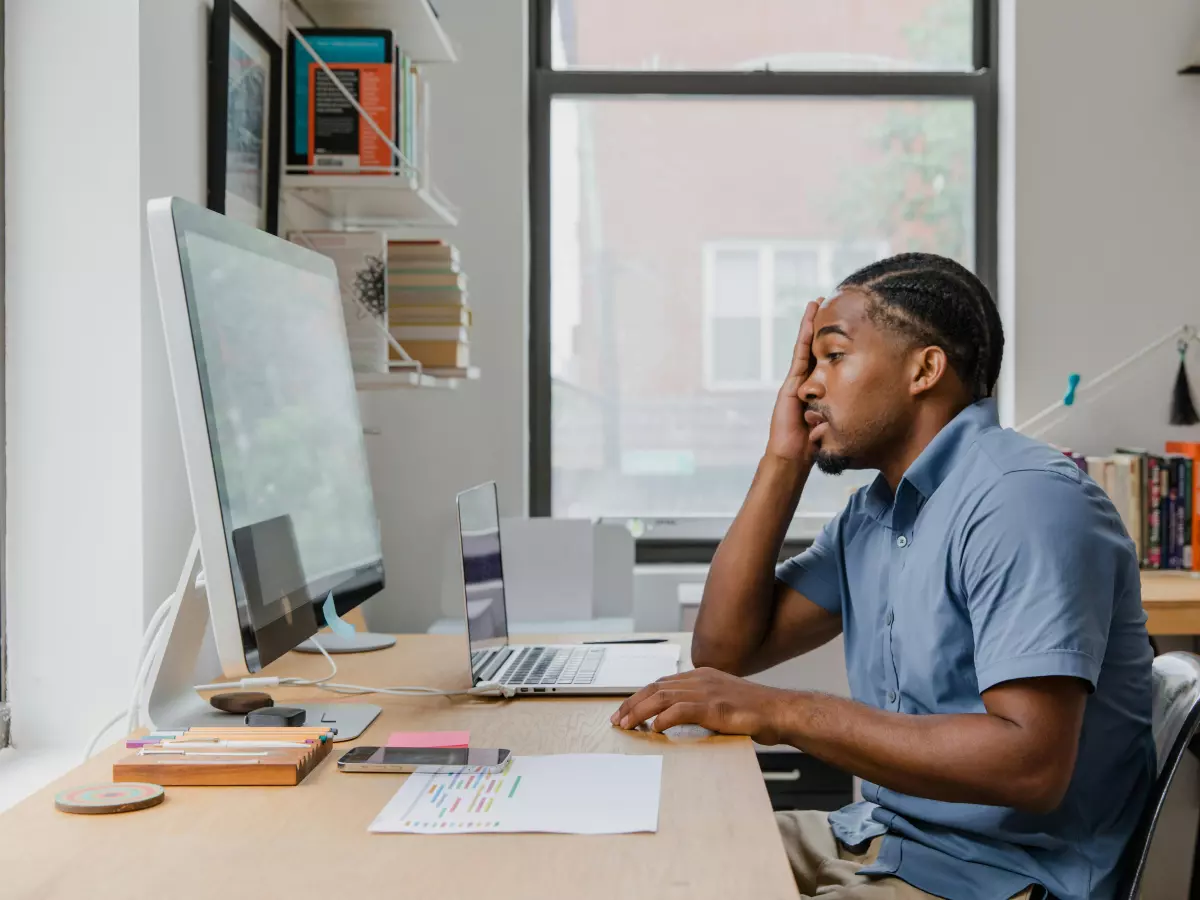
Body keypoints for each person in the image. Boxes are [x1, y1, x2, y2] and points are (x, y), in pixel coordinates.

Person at [611, 253, 1154, 900]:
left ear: (925, 369)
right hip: (883, 838)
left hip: (1000, 878)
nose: (808, 386)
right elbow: (725, 651)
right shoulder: (878, 514)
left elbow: (1030, 765)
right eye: (809, 365)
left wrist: (783, 712)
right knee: (639, 858)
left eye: (833, 357)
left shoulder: (1022, 502)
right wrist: (783, 460)